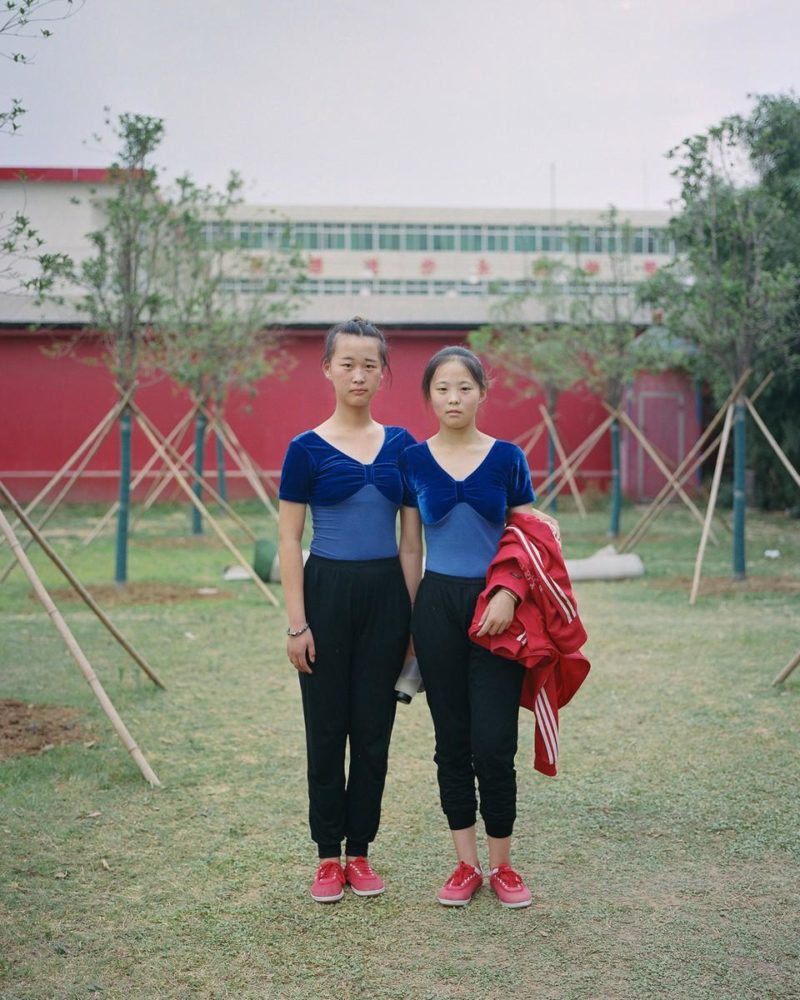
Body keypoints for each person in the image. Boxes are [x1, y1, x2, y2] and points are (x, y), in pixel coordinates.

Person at [400, 345, 558, 909]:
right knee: (453, 744)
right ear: (429, 396)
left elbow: (530, 538)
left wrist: (511, 594)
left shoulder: (509, 458)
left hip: (497, 612)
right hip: (438, 606)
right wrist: (412, 622)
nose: (453, 398)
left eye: (464, 387)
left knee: (494, 743)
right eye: (442, 388)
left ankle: (504, 867)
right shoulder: (414, 461)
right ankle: (465, 865)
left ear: (482, 392)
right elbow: (411, 544)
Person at [278, 317, 421, 904]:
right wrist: (297, 623)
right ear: (327, 369)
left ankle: (359, 852)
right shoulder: (304, 449)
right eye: (348, 363)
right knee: (325, 731)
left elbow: (412, 543)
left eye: (370, 365)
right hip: (326, 593)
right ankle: (324, 856)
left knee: (373, 733)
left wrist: (413, 627)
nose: (359, 374)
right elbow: (289, 540)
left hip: (388, 594)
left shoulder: (405, 447)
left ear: (384, 374)